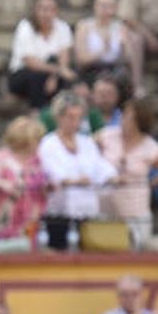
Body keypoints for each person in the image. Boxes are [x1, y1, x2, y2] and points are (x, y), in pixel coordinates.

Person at [38, 91, 117, 251]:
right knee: (59, 249)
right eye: (70, 117)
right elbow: (50, 169)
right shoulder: (48, 143)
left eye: (78, 117)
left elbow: (99, 165)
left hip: (85, 206)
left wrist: (112, 176)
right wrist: (71, 181)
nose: (74, 122)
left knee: (88, 248)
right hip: (59, 210)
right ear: (59, 117)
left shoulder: (86, 142)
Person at [97, 98, 158, 249]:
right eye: (124, 115)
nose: (124, 120)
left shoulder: (150, 146)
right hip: (106, 209)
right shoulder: (106, 135)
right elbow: (86, 153)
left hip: (135, 211)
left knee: (136, 250)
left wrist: (148, 185)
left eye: (129, 118)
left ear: (140, 121)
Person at [0, 115, 48, 250]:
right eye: (36, 140)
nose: (39, 143)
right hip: (1, 224)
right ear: (25, 140)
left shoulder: (36, 160)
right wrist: (2, 184)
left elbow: (40, 187)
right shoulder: (2, 158)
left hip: (28, 223)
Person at [6, 0, 77, 109]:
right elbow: (30, 62)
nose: (46, 13)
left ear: (56, 11)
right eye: (43, 9)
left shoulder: (62, 27)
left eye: (51, 9)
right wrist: (58, 71)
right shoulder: (25, 26)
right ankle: (38, 113)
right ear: (35, 10)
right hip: (22, 74)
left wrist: (54, 75)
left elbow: (64, 60)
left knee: (69, 79)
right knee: (37, 77)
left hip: (52, 73)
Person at [74, 0, 138, 87]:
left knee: (121, 77)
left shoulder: (120, 27)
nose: (105, 9)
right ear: (95, 6)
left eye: (110, 6)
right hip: (91, 70)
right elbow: (81, 61)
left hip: (114, 71)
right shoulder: (84, 26)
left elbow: (128, 59)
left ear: (115, 8)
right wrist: (102, 51)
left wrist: (125, 46)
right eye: (102, 5)